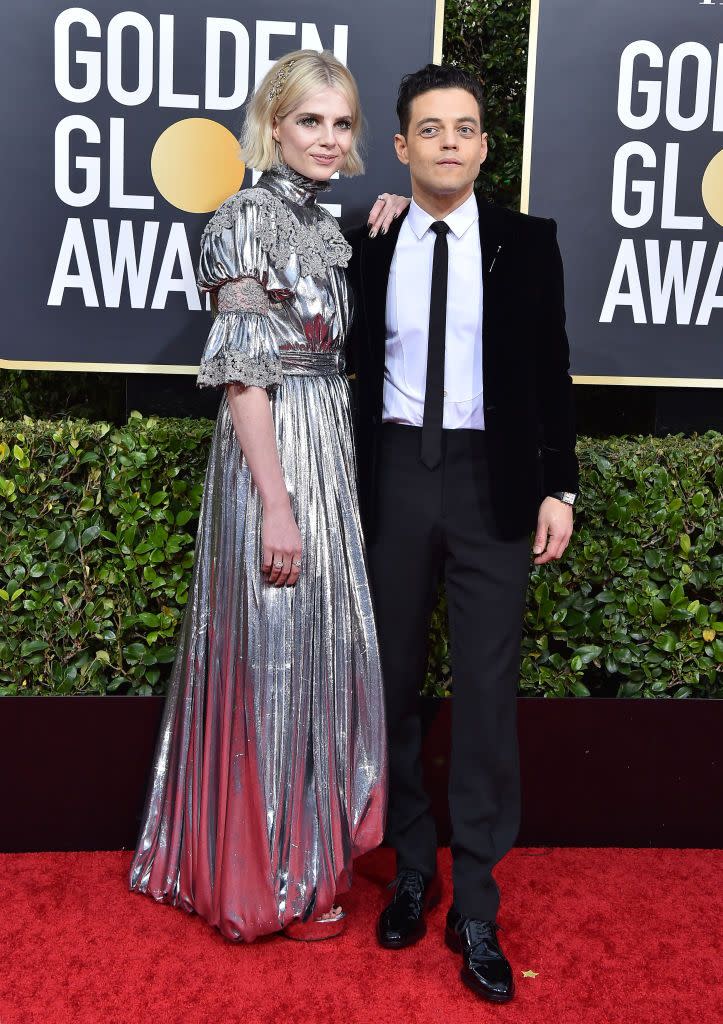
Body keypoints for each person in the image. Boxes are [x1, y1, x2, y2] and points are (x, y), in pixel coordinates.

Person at [129, 49, 398, 943]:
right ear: (273, 126)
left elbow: (328, 306)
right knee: (275, 648)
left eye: (340, 122)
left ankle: (302, 861)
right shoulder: (245, 215)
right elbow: (245, 373)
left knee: (314, 648)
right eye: (309, 120)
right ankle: (261, 879)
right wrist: (275, 502)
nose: (327, 137)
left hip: (324, 442)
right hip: (275, 449)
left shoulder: (322, 221)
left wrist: (381, 224)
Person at [346, 64, 578, 1001]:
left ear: (485, 147)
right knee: (390, 681)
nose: (449, 141)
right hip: (396, 475)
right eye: (429, 128)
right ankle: (410, 871)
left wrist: (558, 486)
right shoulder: (363, 242)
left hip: (495, 483)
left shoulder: (529, 244)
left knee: (485, 693)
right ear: (401, 148)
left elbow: (554, 368)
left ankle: (474, 901)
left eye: (465, 128)